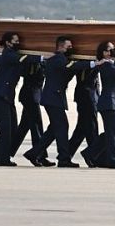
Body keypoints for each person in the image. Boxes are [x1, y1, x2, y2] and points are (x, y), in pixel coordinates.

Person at [26, 36, 79, 167]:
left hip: (53, 98)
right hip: (53, 99)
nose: (71, 48)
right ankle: (64, 158)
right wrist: (94, 63)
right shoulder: (58, 59)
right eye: (69, 46)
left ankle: (34, 153)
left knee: (54, 128)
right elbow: (71, 68)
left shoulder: (59, 60)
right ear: (61, 47)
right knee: (62, 126)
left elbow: (67, 74)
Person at [0, 32, 31, 166]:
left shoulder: (11, 55)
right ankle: (2, 159)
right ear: (7, 42)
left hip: (7, 97)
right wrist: (42, 57)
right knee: (6, 130)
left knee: (12, 129)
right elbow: (23, 59)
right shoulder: (8, 54)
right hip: (0, 96)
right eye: (15, 41)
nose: (18, 43)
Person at [90, 42, 115, 169]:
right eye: (109, 50)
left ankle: (91, 153)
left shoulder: (110, 64)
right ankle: (113, 160)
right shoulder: (106, 65)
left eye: (112, 50)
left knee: (111, 133)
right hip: (109, 103)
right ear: (103, 52)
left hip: (113, 102)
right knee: (112, 133)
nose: (111, 52)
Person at [11, 45, 48, 166]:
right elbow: (26, 71)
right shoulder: (31, 60)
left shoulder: (40, 60)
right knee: (37, 125)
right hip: (29, 96)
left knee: (23, 128)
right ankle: (38, 155)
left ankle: (3, 152)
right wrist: (39, 57)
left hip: (34, 96)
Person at [69, 48, 102, 168]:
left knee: (82, 128)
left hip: (89, 96)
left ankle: (66, 155)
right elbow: (85, 77)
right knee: (91, 127)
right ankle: (93, 156)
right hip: (86, 96)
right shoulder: (84, 62)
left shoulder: (86, 60)